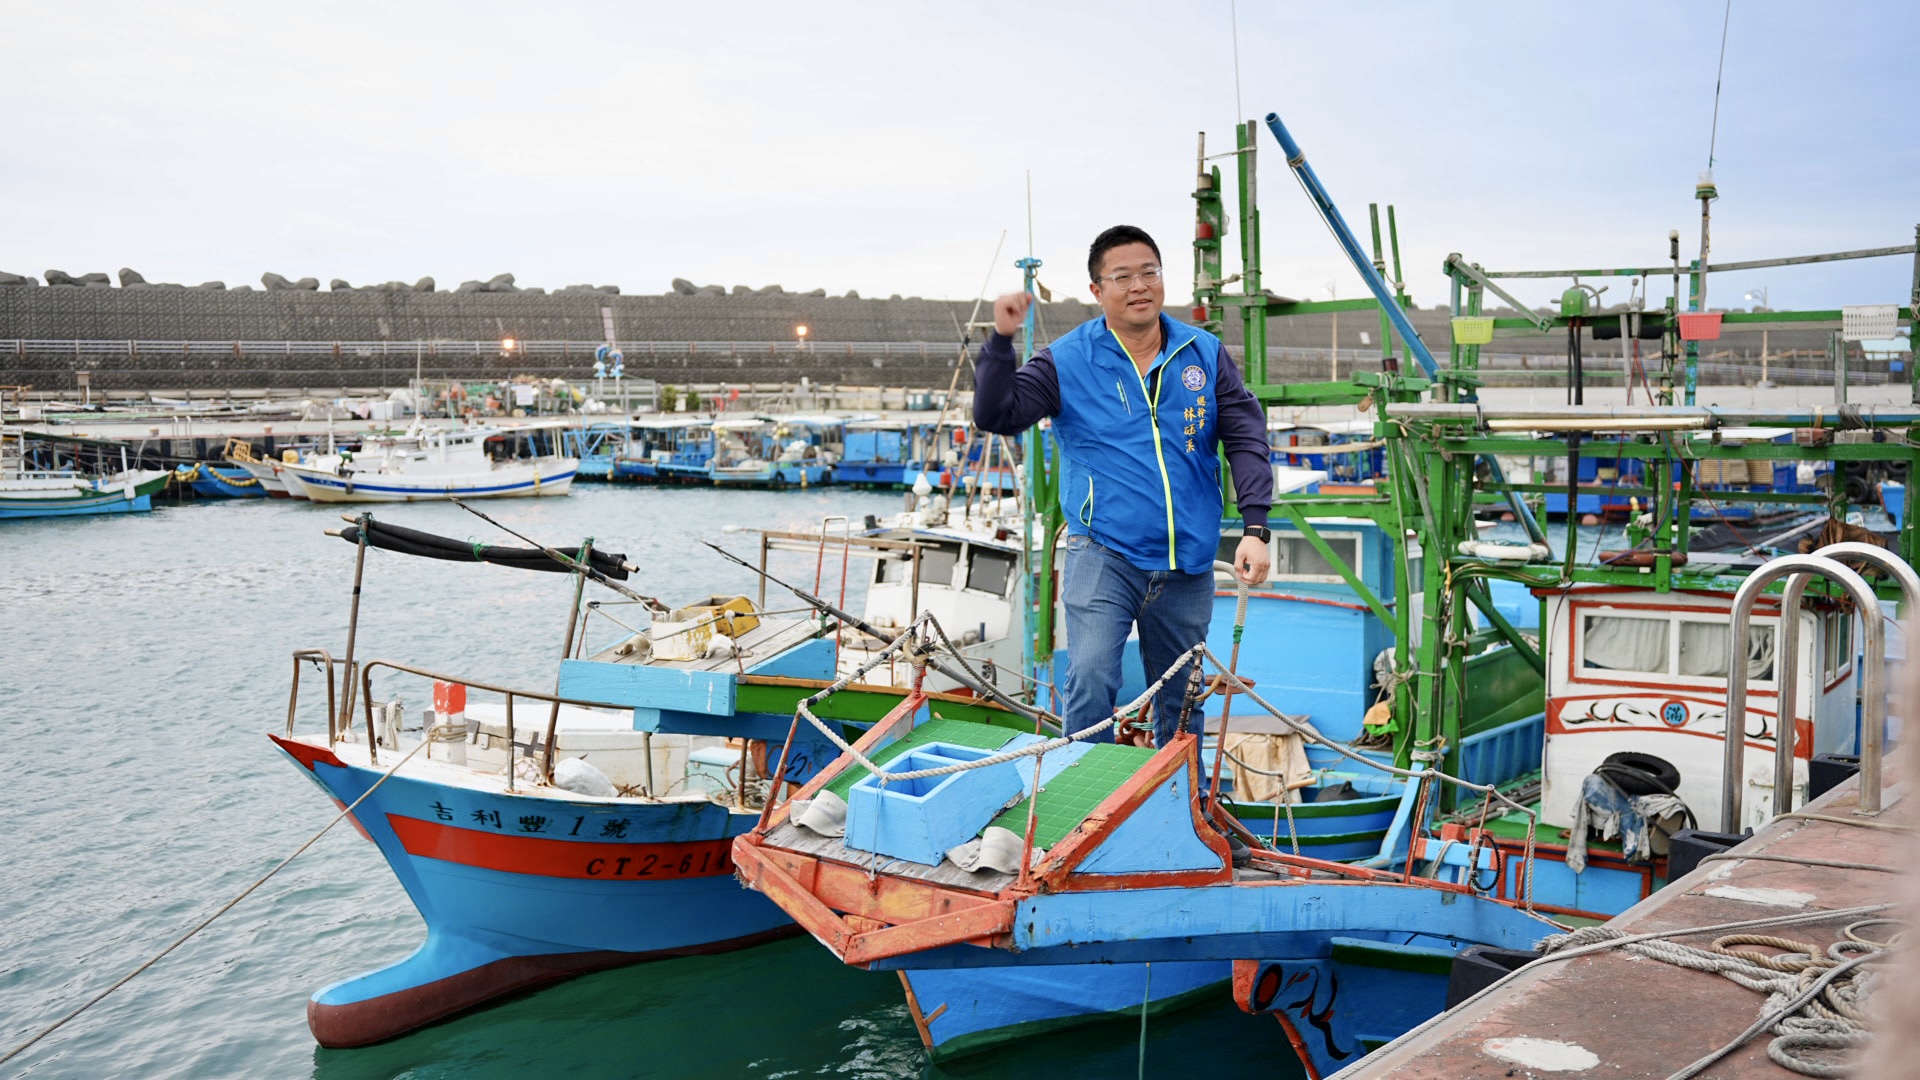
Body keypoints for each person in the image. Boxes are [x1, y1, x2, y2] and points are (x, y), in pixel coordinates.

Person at [974, 224, 1273, 748]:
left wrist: (1255, 527)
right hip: (1104, 552)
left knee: (1183, 698)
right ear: (1097, 289)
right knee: (1091, 677)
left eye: (1149, 272)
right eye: (1122, 277)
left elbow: (1246, 437)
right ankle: (1083, 787)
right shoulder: (1067, 360)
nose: (1139, 286)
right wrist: (1001, 342)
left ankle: (1180, 791)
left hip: (1187, 561)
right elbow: (997, 415)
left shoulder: (1203, 353)